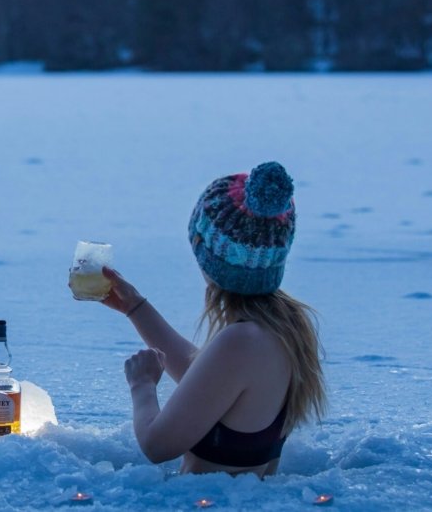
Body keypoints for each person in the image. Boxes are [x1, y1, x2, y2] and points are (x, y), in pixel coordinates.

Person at [99, 162, 326, 477]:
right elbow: (209, 383)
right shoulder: (283, 328)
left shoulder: (242, 341)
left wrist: (142, 384)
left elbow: (157, 446)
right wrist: (135, 308)